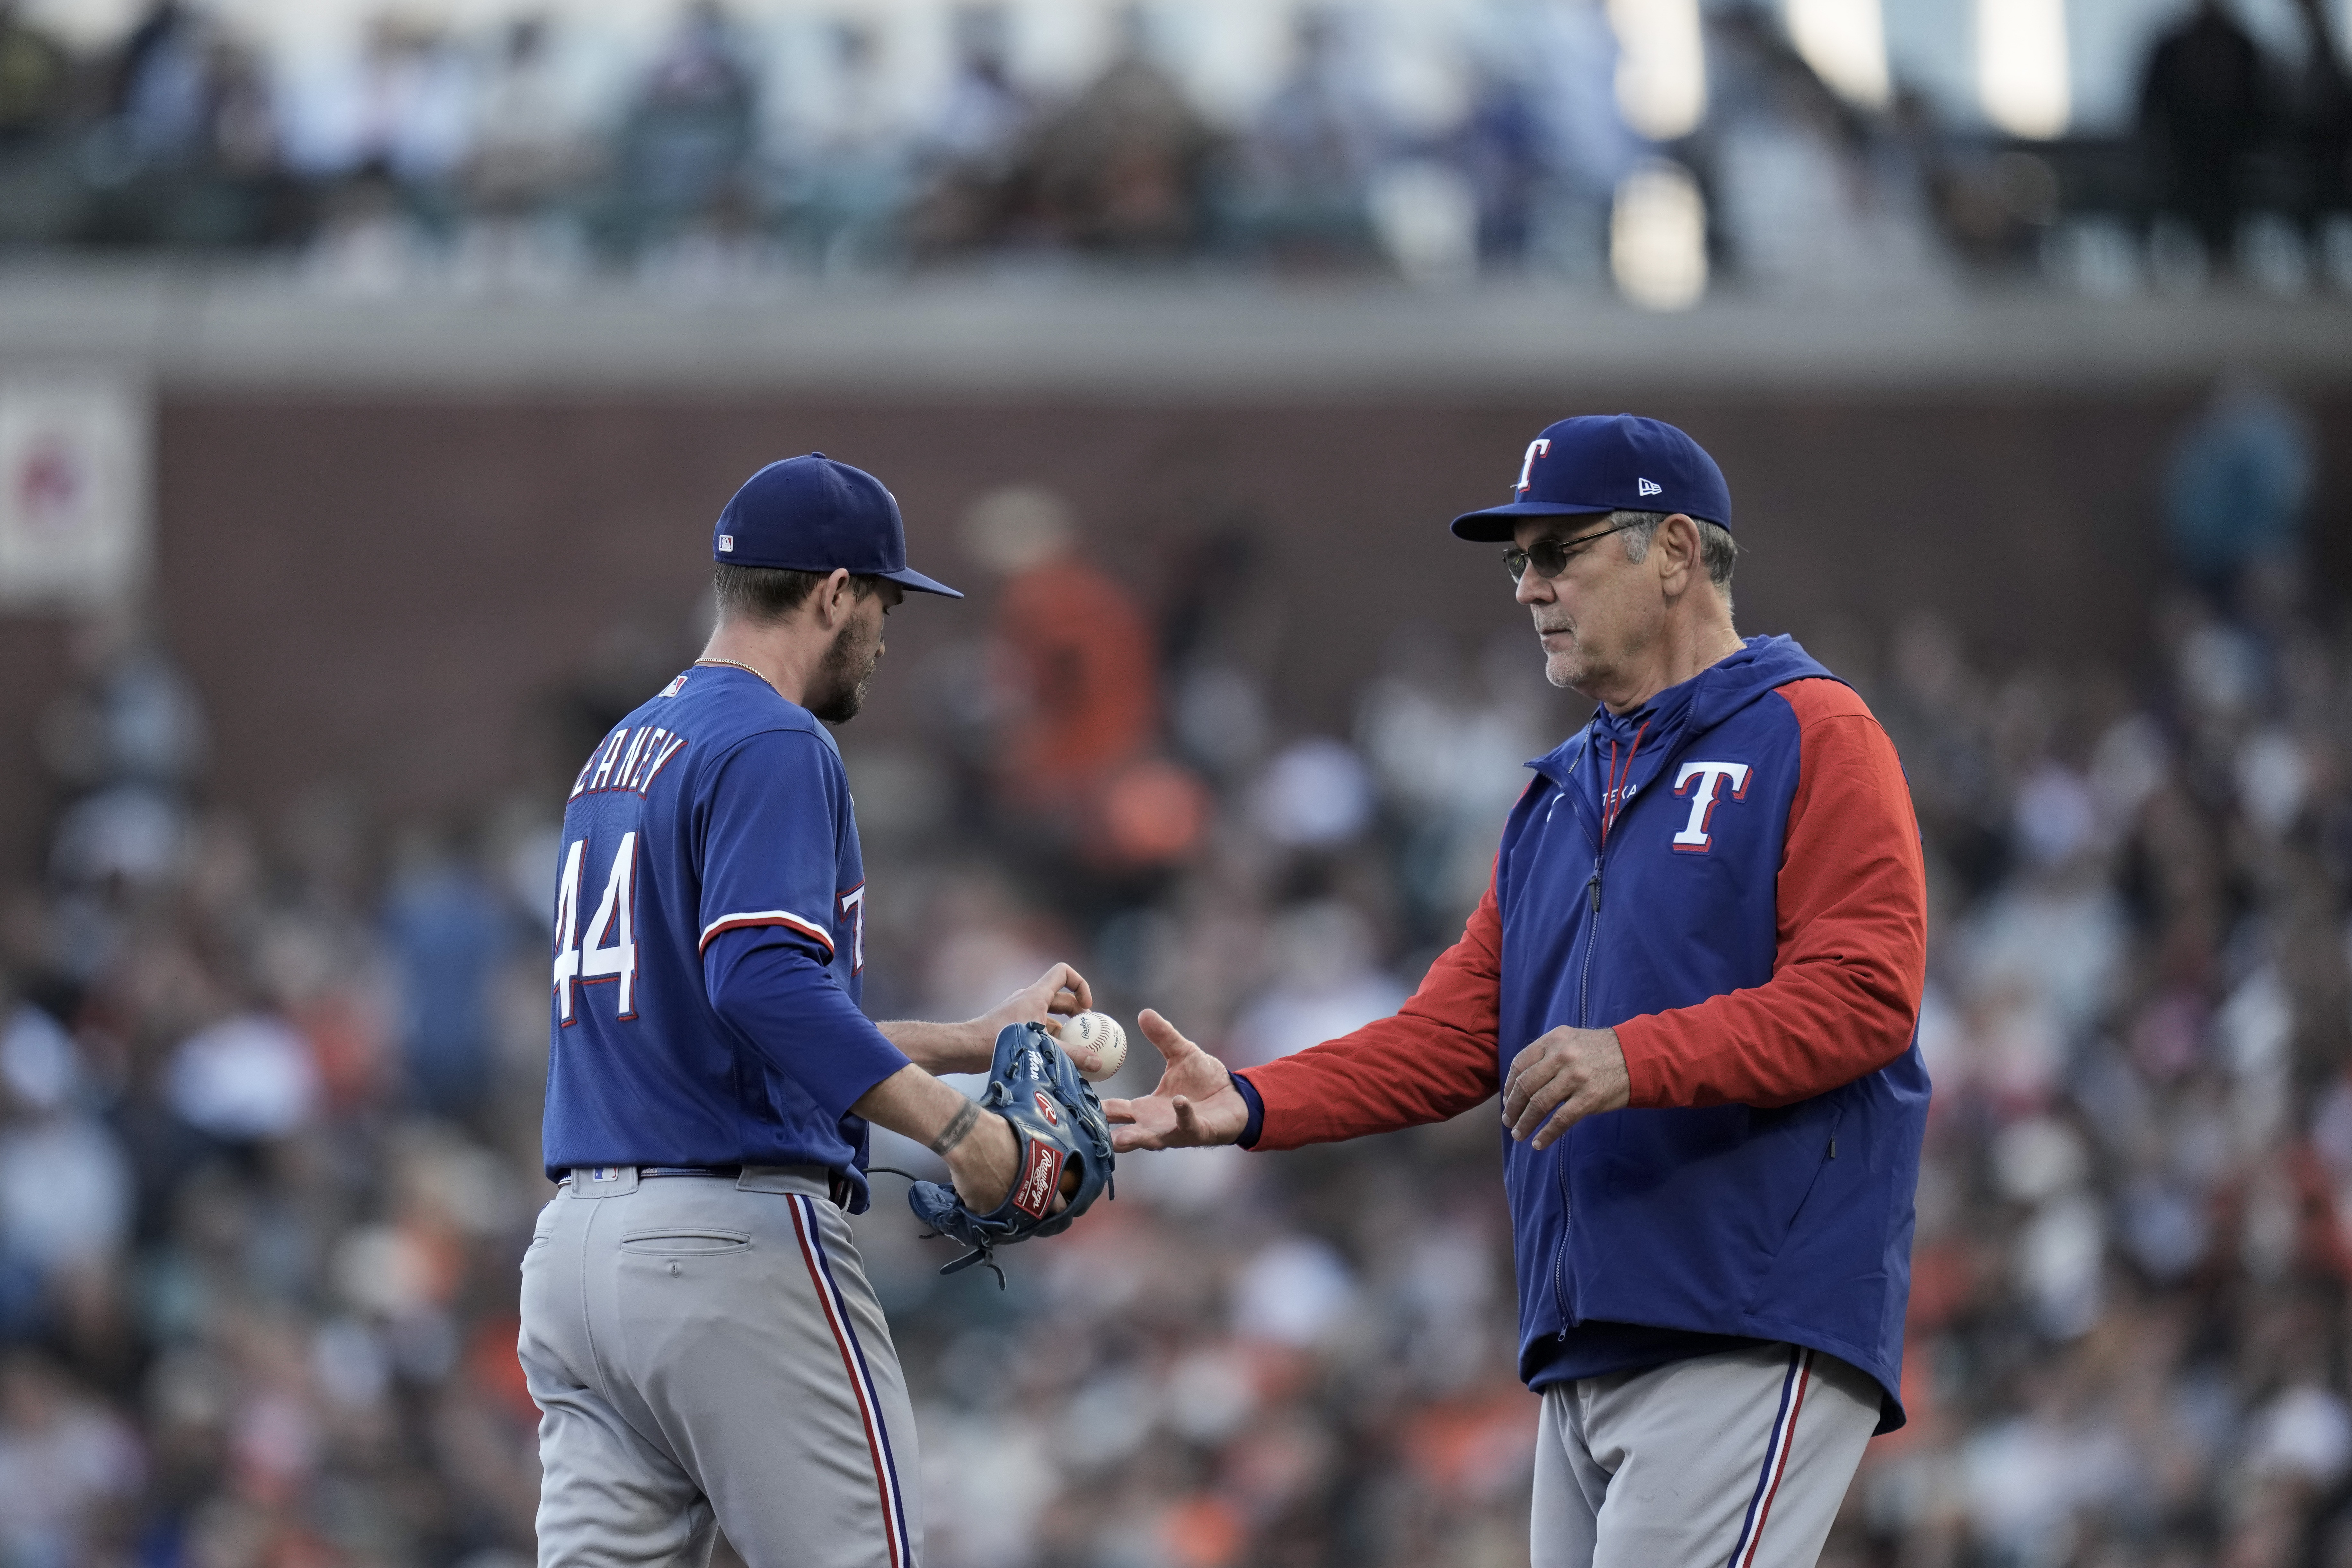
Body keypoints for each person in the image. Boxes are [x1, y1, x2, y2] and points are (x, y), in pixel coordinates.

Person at [1110, 414, 1931, 1568]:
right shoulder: (1559, 793)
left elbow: (1864, 996)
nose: (1529, 585)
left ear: (1677, 551)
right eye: (1518, 560)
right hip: (1589, 1325)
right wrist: (1247, 1099)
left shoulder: (1813, 729)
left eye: (1560, 551)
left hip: (1748, 1302)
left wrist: (1633, 1055)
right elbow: (1453, 1036)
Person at [519, 453, 1103, 1568]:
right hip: (724, 1248)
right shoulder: (778, 737)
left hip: (580, 1261)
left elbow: (719, 1021)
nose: (885, 632)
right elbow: (763, 987)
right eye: (883, 601)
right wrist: (961, 1126)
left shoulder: (622, 752)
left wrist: (974, 1040)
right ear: (834, 591)